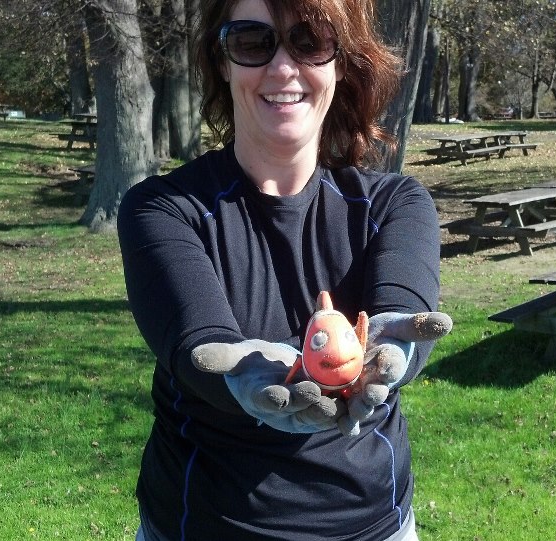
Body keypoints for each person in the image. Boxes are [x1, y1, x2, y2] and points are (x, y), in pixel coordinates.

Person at [117, 0, 450, 539]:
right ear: (223, 62)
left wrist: (396, 348)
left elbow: (402, 316)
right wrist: (250, 379)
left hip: (373, 526)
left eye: (310, 40)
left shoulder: (394, 204)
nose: (282, 68)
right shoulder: (163, 209)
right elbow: (198, 344)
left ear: (341, 61)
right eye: (252, 41)